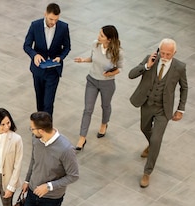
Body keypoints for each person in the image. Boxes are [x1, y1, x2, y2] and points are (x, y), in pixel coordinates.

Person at [129, 38, 188, 188]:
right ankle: (152, 145)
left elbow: (184, 88)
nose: (165, 56)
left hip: (164, 109)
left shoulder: (179, 67)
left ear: (174, 53)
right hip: (147, 104)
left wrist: (180, 109)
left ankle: (147, 173)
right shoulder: (150, 60)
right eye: (162, 53)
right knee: (144, 128)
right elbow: (131, 74)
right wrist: (147, 66)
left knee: (156, 139)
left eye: (168, 54)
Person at [73, 25, 123, 150]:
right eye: (99, 33)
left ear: (109, 39)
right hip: (92, 80)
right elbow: (93, 58)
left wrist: (111, 73)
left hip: (107, 83)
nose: (98, 37)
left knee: (105, 106)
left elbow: (120, 68)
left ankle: (104, 124)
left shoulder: (118, 52)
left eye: (101, 35)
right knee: (87, 109)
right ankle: (82, 138)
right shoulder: (95, 45)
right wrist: (83, 60)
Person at [23, 3, 71, 118]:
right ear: (45, 14)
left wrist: (60, 57)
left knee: (48, 103)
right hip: (38, 69)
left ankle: (47, 129)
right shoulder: (35, 25)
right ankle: (39, 126)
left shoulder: (63, 27)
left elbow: (67, 47)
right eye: (51, 19)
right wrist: (35, 55)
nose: (53, 22)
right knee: (40, 101)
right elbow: (27, 45)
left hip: (53, 71)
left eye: (56, 19)